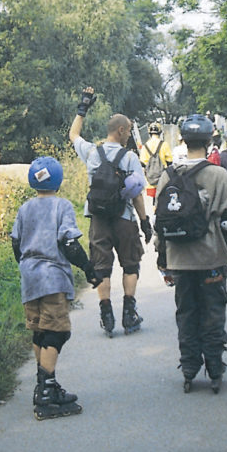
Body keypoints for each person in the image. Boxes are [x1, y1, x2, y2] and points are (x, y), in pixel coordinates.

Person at [11, 156, 102, 420]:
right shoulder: (62, 206)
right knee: (57, 332)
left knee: (40, 331)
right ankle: (47, 393)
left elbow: (16, 244)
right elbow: (70, 244)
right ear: (58, 180)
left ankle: (44, 386)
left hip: (29, 278)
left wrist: (28, 266)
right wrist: (87, 268)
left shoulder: (24, 208)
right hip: (52, 278)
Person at [155, 114, 227, 394]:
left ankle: (189, 368)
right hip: (211, 257)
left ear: (183, 141)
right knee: (213, 312)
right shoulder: (219, 175)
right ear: (210, 140)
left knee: (186, 312)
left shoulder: (168, 175)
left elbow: (160, 221)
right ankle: (214, 367)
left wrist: (162, 257)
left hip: (180, 259)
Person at [68, 87, 154, 338]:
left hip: (98, 219)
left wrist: (83, 107)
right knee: (130, 263)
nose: (128, 135)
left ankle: (107, 314)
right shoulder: (129, 158)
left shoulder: (92, 152)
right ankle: (129, 312)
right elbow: (137, 193)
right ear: (121, 130)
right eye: (128, 130)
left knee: (101, 266)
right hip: (124, 219)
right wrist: (145, 222)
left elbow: (73, 134)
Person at [139, 121, 173, 204]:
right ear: (160, 132)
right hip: (163, 178)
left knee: (154, 200)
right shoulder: (164, 144)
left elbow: (143, 163)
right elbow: (169, 161)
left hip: (150, 180)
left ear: (150, 133)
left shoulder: (145, 146)